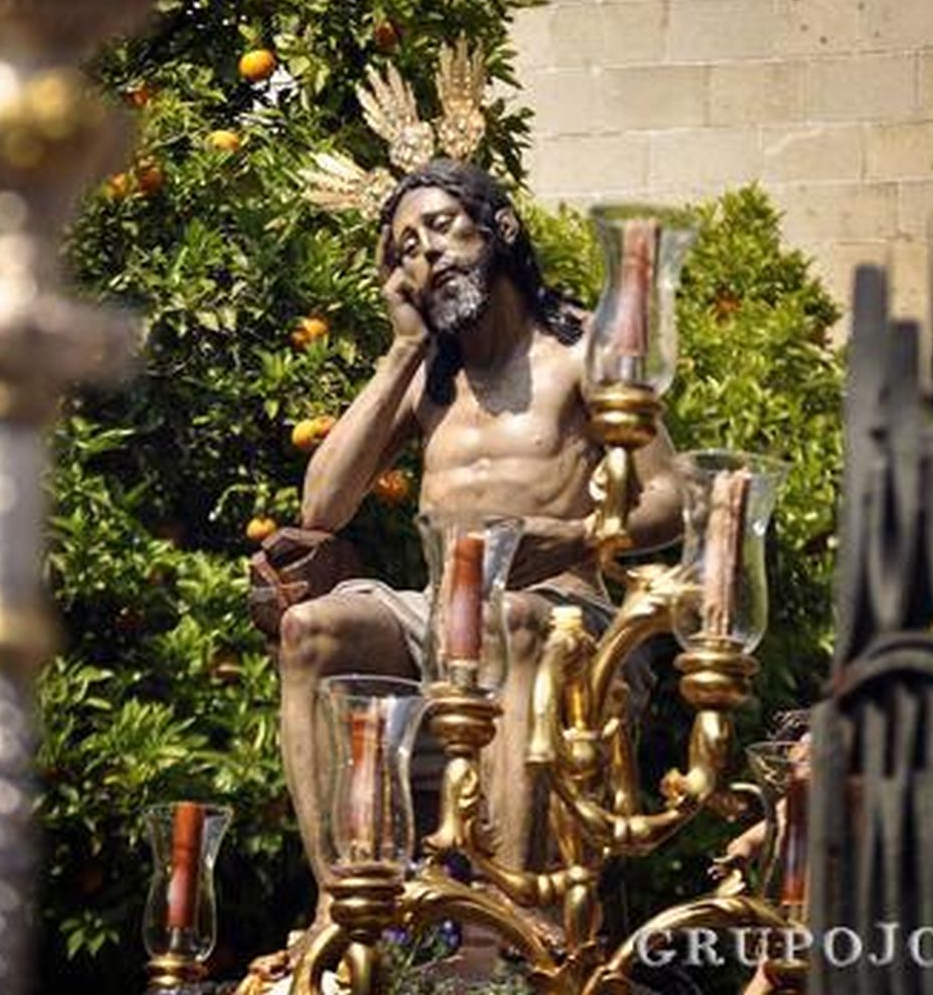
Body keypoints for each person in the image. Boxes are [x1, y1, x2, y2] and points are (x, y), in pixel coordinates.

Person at [272, 159, 684, 920]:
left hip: (560, 614)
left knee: (516, 618)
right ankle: (344, 908)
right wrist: (400, 351)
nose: (423, 254)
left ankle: (504, 922)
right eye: (403, 248)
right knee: (309, 629)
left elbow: (672, 497)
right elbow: (323, 505)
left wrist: (573, 537)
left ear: (501, 227)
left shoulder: (582, 351)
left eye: (439, 227)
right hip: (441, 610)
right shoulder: (429, 376)